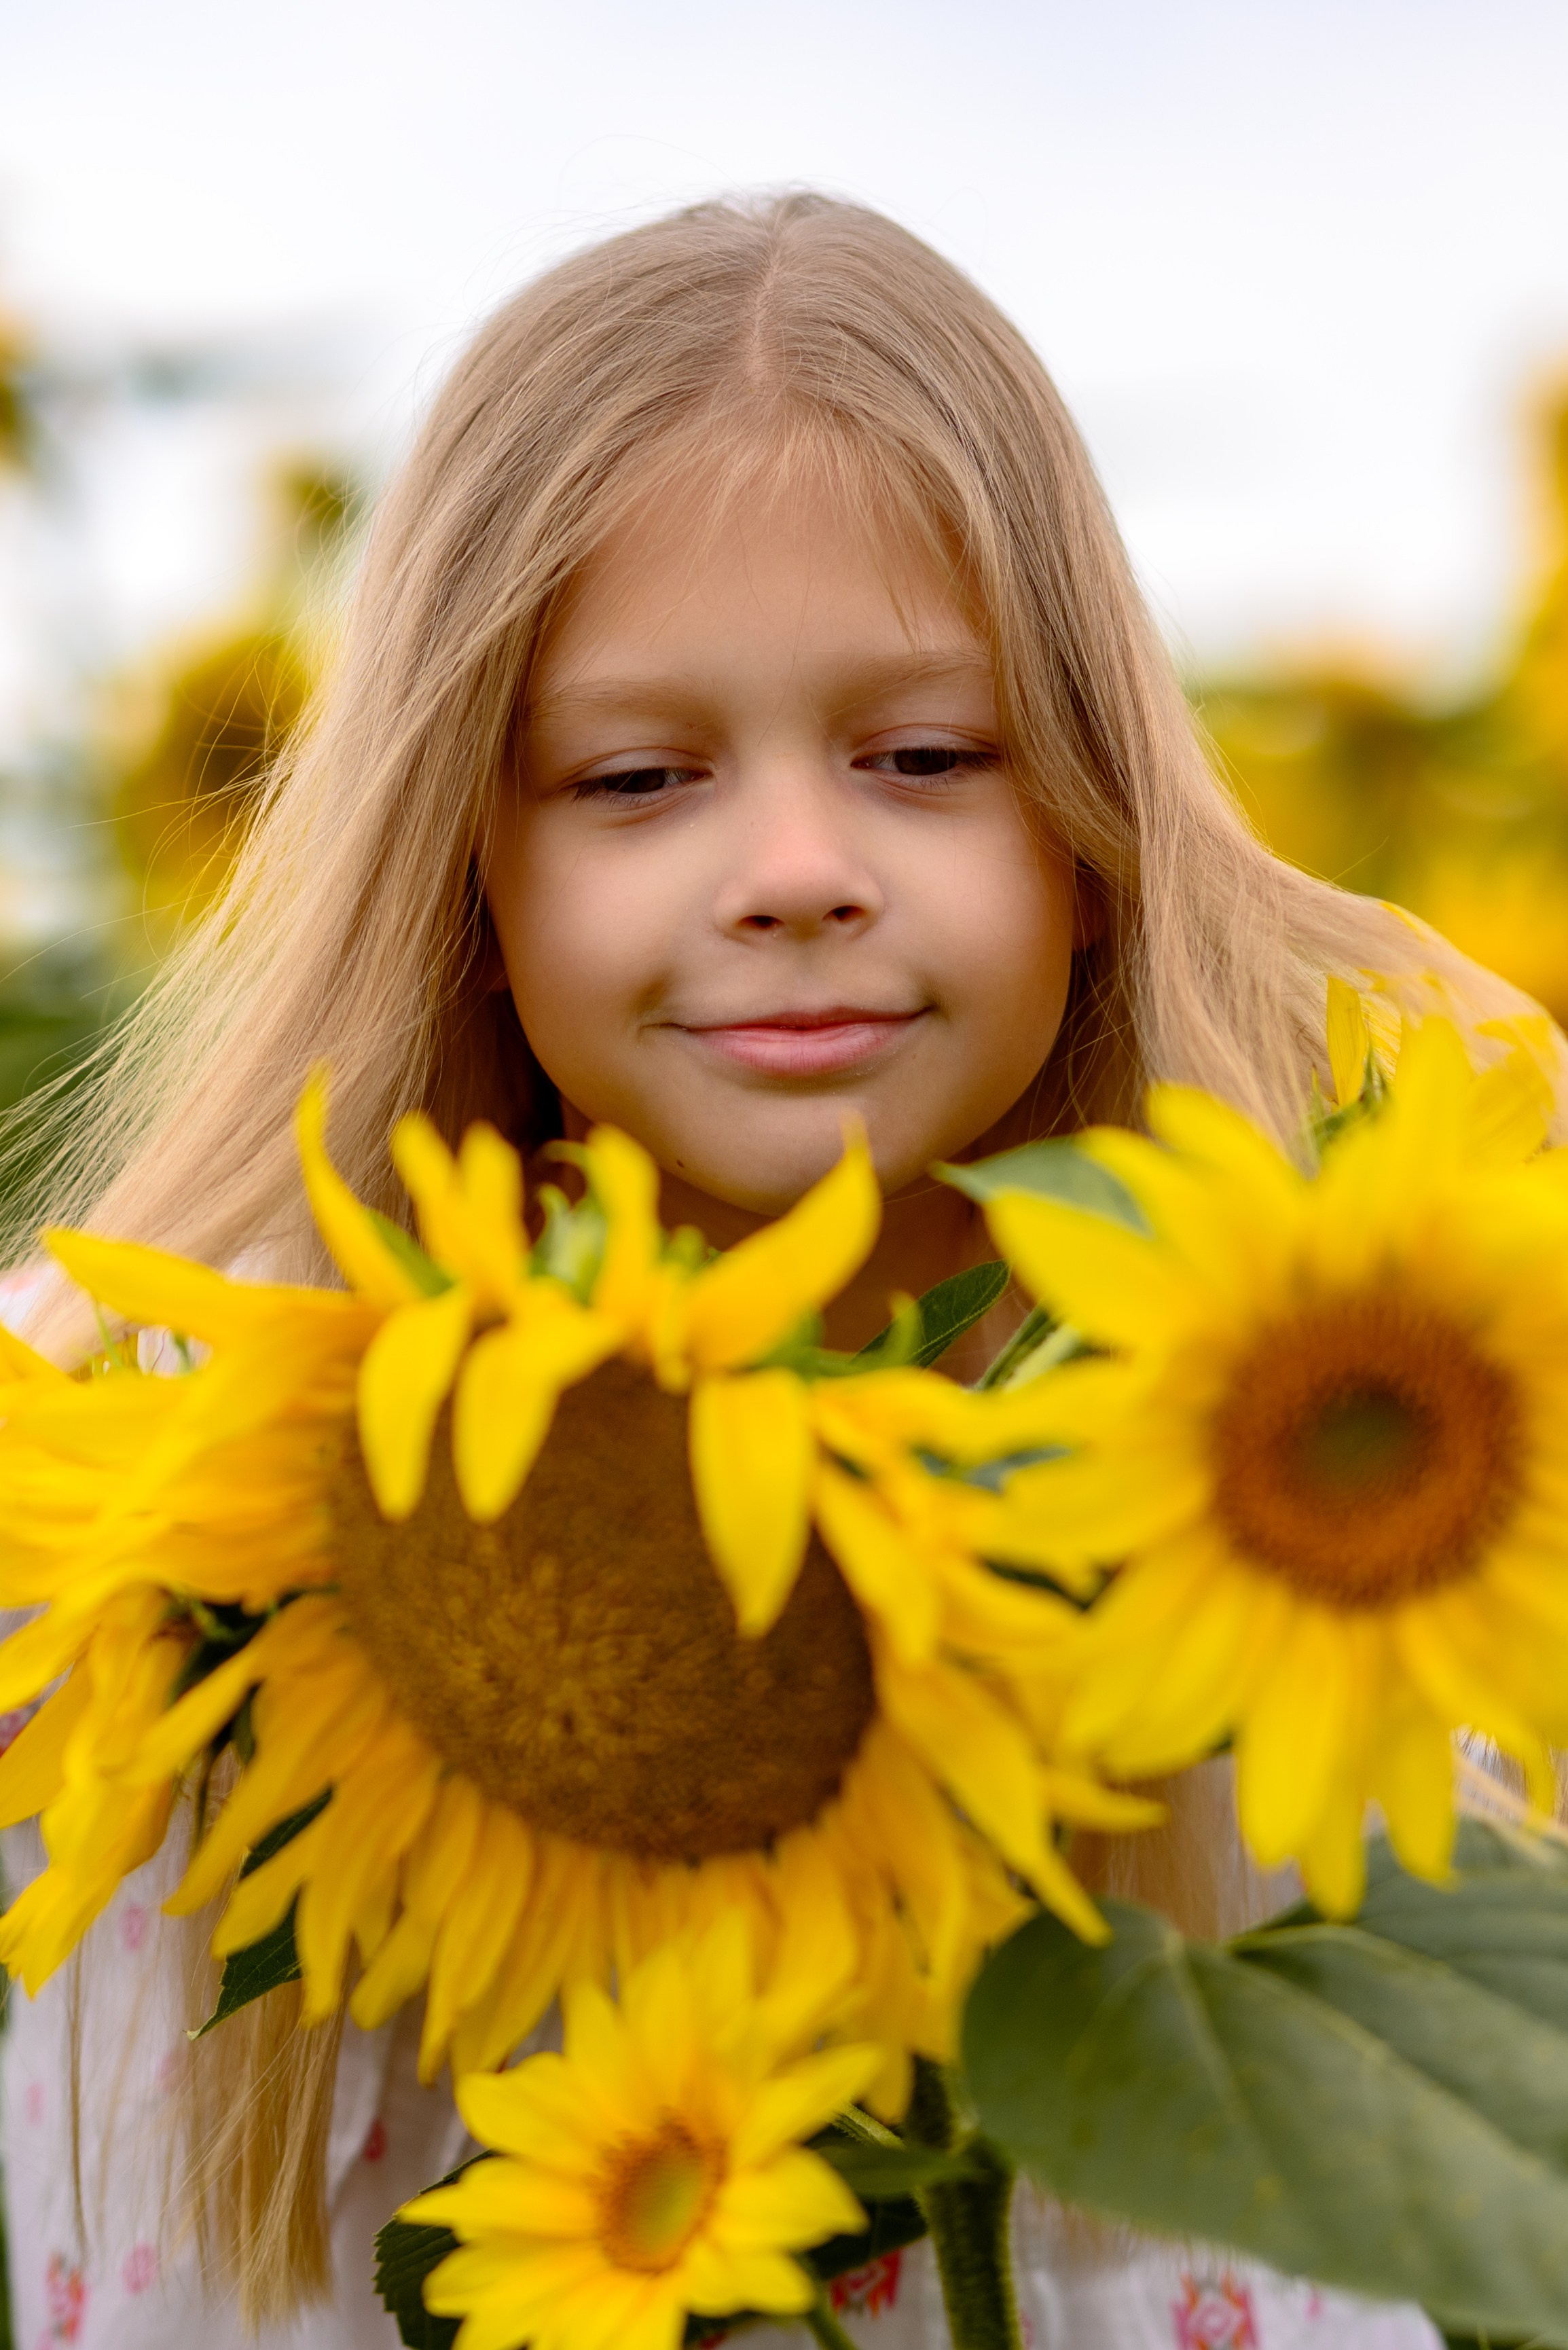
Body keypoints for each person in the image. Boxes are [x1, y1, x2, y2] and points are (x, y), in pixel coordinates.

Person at [1, 192, 1534, 2350]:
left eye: (923, 757)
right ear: (469, 858)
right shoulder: (188, 1516)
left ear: (1089, 831)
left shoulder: (1314, 1546)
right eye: (640, 778)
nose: (798, 875)